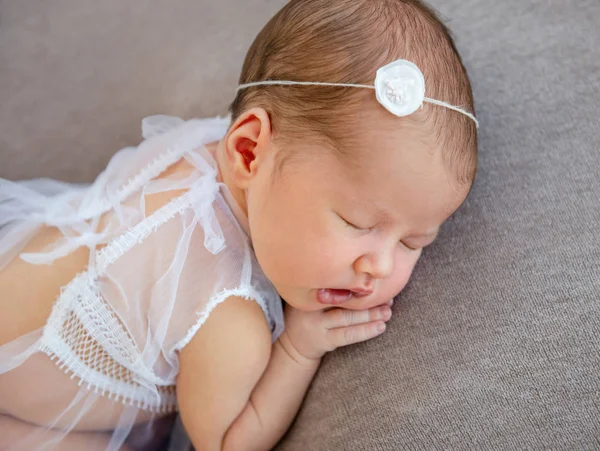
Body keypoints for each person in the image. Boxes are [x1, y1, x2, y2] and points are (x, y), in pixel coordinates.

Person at [0, 0, 479, 449]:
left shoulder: (207, 148)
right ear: (248, 150)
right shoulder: (230, 322)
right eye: (357, 222)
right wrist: (296, 351)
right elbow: (226, 441)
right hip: (23, 410)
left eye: (415, 241)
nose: (378, 265)